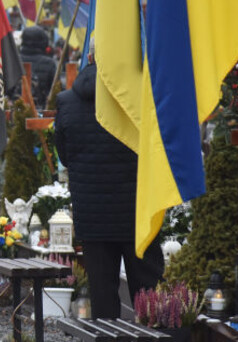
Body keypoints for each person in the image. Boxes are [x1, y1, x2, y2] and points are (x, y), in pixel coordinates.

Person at [54, 60, 164, 319]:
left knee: (102, 297)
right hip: (137, 213)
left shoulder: (67, 101)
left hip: (93, 217)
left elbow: (64, 155)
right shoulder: (138, 95)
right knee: (147, 296)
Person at [19, 25, 58, 109]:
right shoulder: (49, 63)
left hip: (15, 111)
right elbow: (55, 90)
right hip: (43, 112)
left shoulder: (13, 60)